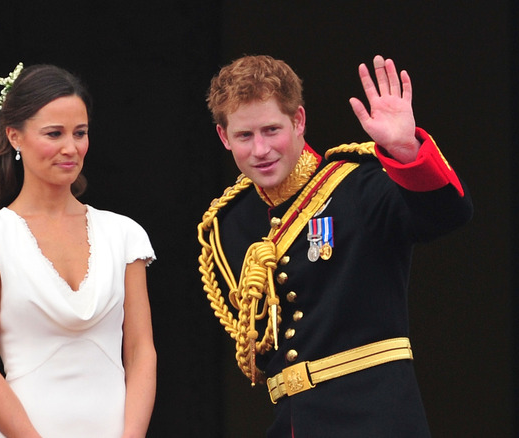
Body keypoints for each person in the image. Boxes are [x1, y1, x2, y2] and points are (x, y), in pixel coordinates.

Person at [197, 54, 472, 437]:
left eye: (272, 130)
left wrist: (406, 150)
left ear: (298, 122)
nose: (260, 149)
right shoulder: (230, 224)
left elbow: (447, 214)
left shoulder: (357, 186)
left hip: (376, 419)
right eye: (245, 135)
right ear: (224, 138)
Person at [0, 63, 157, 438]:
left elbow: (141, 352)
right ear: (15, 136)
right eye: (54, 133)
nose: (70, 148)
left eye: (80, 133)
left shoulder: (124, 234)